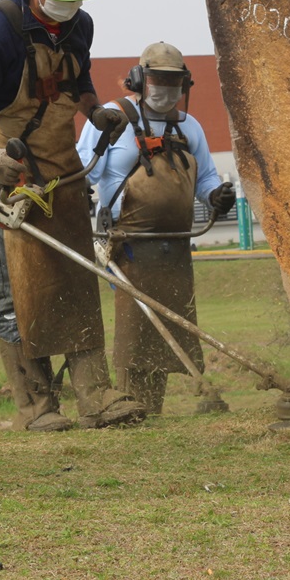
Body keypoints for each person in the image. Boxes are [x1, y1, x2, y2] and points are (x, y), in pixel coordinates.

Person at [0, 0, 146, 431]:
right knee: (16, 291)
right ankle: (36, 404)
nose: (66, 8)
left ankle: (96, 396)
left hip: (62, 169)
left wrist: (94, 110)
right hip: (9, 174)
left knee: (76, 280)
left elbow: (76, 76)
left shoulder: (79, 24)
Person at [75, 42, 235, 414]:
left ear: (185, 85)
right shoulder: (112, 117)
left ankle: (151, 408)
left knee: (171, 324)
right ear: (139, 79)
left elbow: (207, 177)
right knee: (136, 329)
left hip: (176, 245)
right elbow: (85, 170)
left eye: (174, 82)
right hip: (127, 244)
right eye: (158, 81)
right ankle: (132, 403)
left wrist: (215, 197)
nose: (166, 90)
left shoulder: (188, 125)